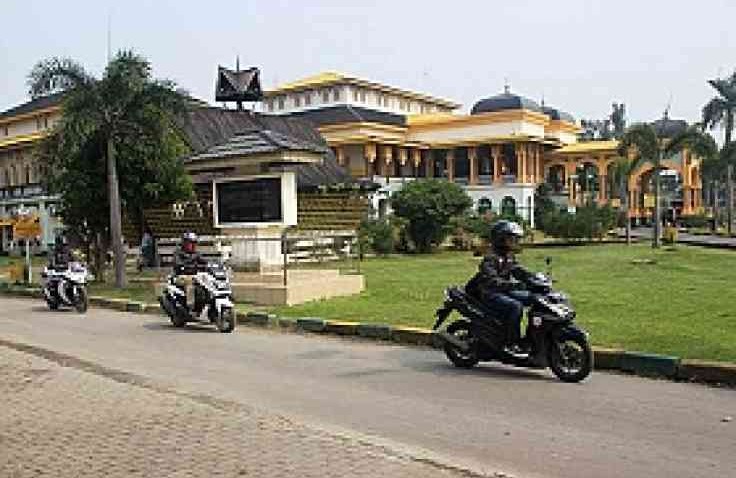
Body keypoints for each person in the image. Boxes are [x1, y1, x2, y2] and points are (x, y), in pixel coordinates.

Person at [466, 220, 533, 351]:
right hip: (490, 293)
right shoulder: (491, 258)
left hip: (504, 291)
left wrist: (535, 278)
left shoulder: (508, 255)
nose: (514, 242)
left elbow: (518, 270)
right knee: (516, 307)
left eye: (515, 239)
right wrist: (513, 285)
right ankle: (511, 342)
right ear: (500, 239)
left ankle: (531, 339)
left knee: (534, 298)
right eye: (511, 238)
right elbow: (492, 280)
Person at [173, 232, 207, 313]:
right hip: (181, 276)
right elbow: (177, 263)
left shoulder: (196, 254)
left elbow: (205, 262)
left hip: (195, 276)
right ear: (184, 243)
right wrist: (185, 266)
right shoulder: (178, 253)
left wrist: (212, 265)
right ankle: (190, 307)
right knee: (190, 283)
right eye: (190, 243)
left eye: (194, 243)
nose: (193, 245)